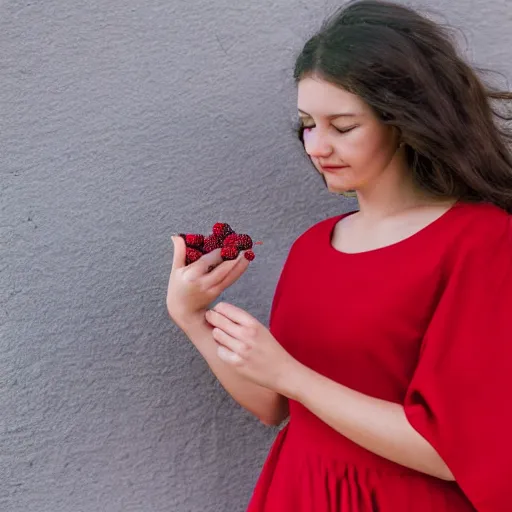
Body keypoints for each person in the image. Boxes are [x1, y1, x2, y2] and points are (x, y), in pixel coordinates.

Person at [166, 1, 512, 510]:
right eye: (308, 123)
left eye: (343, 126)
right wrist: (192, 315)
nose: (316, 145)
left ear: (404, 121)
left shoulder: (481, 241)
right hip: (299, 490)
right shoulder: (314, 245)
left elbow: (454, 450)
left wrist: (291, 374)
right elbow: (272, 405)